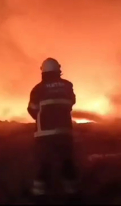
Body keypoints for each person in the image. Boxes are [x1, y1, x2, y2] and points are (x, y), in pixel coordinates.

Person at [27, 57, 78, 198]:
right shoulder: (67, 85)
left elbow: (32, 109)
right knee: (67, 163)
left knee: (43, 164)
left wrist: (41, 119)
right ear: (58, 71)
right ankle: (72, 194)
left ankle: (39, 195)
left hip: (44, 135)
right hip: (64, 132)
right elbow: (71, 102)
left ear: (43, 72)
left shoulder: (37, 89)